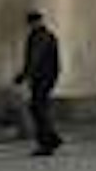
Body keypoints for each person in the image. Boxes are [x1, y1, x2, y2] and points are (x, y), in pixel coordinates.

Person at [13, 9, 64, 159]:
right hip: (46, 77)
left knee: (38, 109)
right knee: (39, 107)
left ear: (34, 22)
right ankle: (52, 139)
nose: (30, 26)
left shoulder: (40, 36)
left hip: (42, 78)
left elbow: (35, 58)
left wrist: (23, 75)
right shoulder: (47, 35)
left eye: (31, 23)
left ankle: (46, 144)